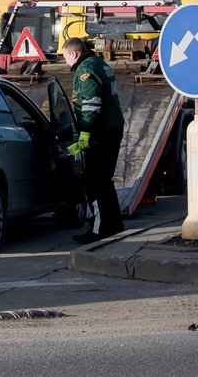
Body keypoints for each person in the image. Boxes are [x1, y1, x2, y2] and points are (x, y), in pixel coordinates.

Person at [62, 36, 126, 244]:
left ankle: (100, 230)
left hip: (101, 132)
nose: (66, 63)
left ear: (74, 54)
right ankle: (114, 224)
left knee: (94, 182)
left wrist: (85, 134)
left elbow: (90, 104)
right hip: (112, 128)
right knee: (104, 181)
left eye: (65, 57)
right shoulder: (99, 63)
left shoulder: (85, 71)